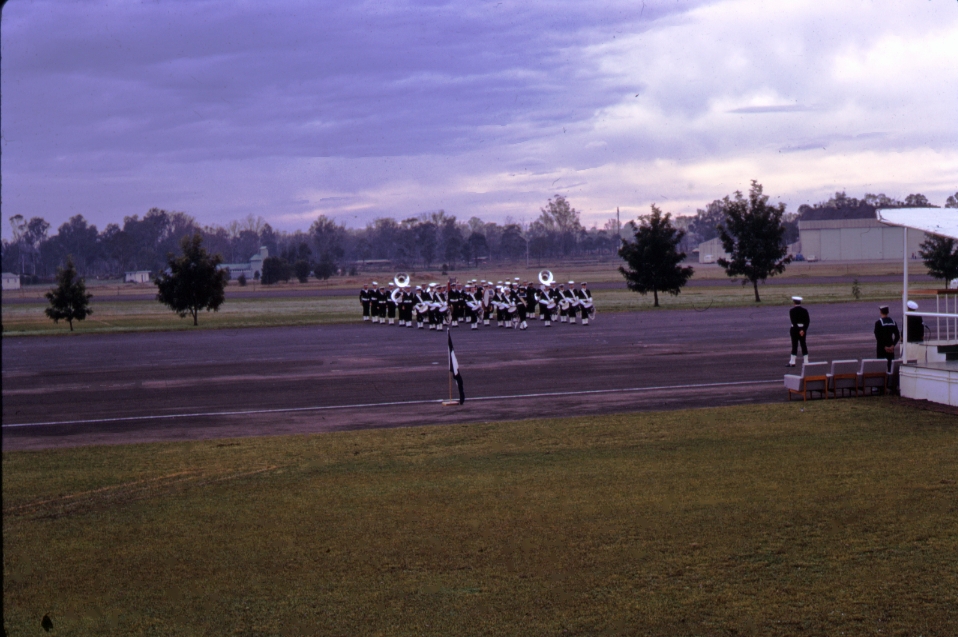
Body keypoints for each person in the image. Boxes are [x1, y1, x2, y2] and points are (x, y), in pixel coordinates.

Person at [874, 305, 901, 370]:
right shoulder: (893, 322)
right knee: (890, 366)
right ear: (888, 312)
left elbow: (878, 337)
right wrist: (892, 345)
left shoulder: (878, 323)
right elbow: (897, 336)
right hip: (891, 348)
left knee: (881, 367)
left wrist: (884, 347)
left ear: (880, 312)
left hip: (881, 348)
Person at [787, 296, 810, 367]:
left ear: (794, 302)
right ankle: (806, 361)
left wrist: (799, 330)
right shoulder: (805, 310)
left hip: (794, 329)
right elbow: (807, 321)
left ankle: (792, 362)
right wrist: (803, 330)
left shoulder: (792, 311)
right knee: (803, 344)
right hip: (803, 329)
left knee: (794, 345)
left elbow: (793, 322)